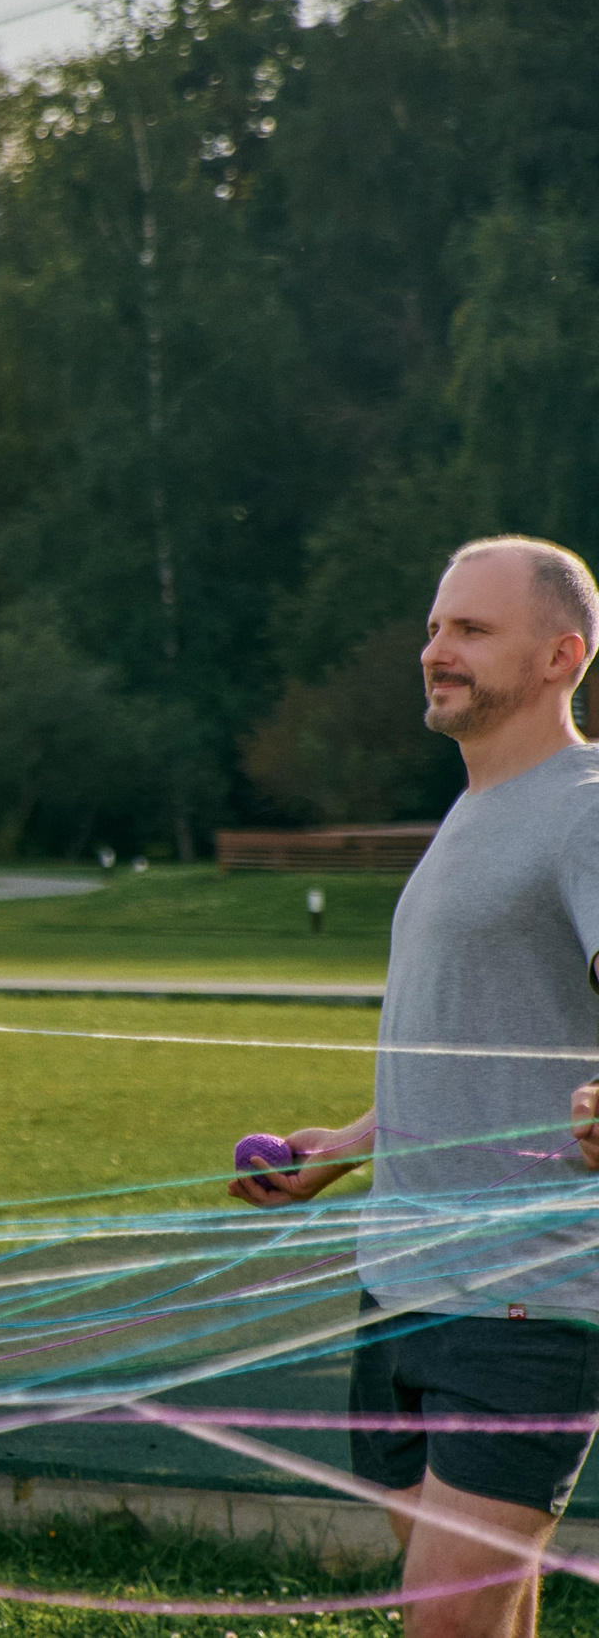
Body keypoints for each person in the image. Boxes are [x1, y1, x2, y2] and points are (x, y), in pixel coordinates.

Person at [233, 535, 599, 1638]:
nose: (435, 650)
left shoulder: (584, 807)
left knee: (441, 1625)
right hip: (399, 1281)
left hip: (525, 1299)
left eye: (471, 630)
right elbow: (479, 1048)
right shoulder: (474, 812)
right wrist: (342, 1147)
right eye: (436, 626)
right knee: (480, 1621)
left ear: (559, 656)